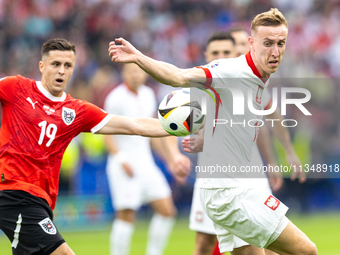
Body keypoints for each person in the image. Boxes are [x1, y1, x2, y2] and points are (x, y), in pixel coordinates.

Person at [108, 8, 317, 255]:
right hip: (228, 193)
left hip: (236, 185)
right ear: (251, 43)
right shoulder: (232, 71)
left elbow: (229, 117)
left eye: (280, 43)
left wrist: (208, 137)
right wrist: (138, 57)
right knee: (307, 251)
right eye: (268, 43)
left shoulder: (261, 76)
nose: (275, 51)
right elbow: (178, 77)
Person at [0, 38, 175, 255]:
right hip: (14, 193)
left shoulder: (77, 111)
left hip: (42, 199)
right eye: (55, 64)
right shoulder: (15, 87)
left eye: (68, 66)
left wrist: (179, 127)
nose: (61, 71)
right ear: (42, 66)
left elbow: (134, 124)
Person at [185, 29, 302, 255]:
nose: (223, 55)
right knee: (204, 243)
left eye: (229, 50)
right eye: (216, 52)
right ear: (206, 55)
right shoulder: (199, 88)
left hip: (249, 175)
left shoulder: (248, 82)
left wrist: (276, 158)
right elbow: (178, 124)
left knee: (264, 243)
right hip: (213, 179)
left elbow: (267, 121)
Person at [104, 63, 187, 255]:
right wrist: (121, 158)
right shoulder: (115, 98)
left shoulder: (148, 94)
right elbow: (106, 133)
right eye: (131, 71)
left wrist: (170, 161)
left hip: (146, 163)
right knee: (126, 215)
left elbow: (153, 133)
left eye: (138, 71)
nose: (135, 75)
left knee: (167, 210)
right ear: (123, 73)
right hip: (123, 164)